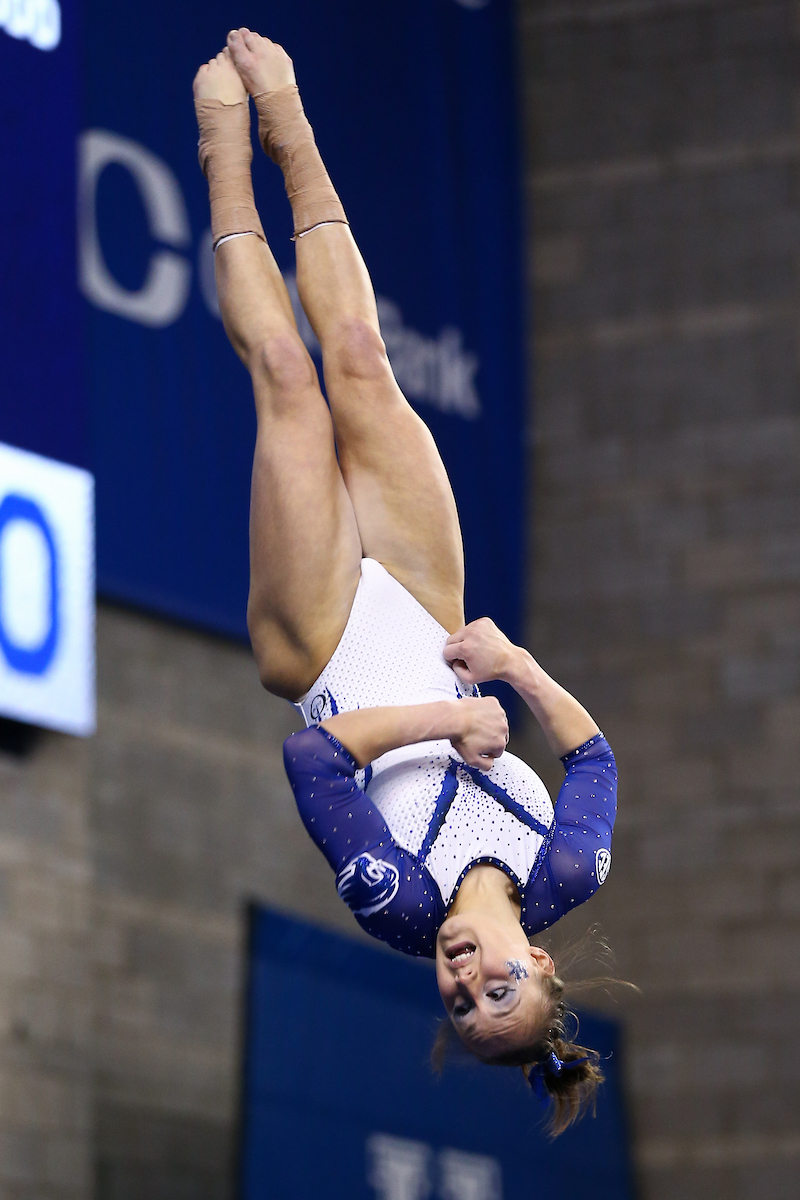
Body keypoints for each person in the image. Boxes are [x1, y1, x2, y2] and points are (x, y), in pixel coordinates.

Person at [193, 29, 618, 1133]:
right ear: (538, 961)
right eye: (498, 991)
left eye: (460, 1006)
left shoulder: (397, 902)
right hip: (432, 614)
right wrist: (516, 668)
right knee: (359, 357)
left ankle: (222, 149)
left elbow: (314, 758)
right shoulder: (568, 869)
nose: (464, 980)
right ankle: (290, 124)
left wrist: (450, 719)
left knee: (289, 383)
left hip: (323, 646)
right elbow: (591, 756)